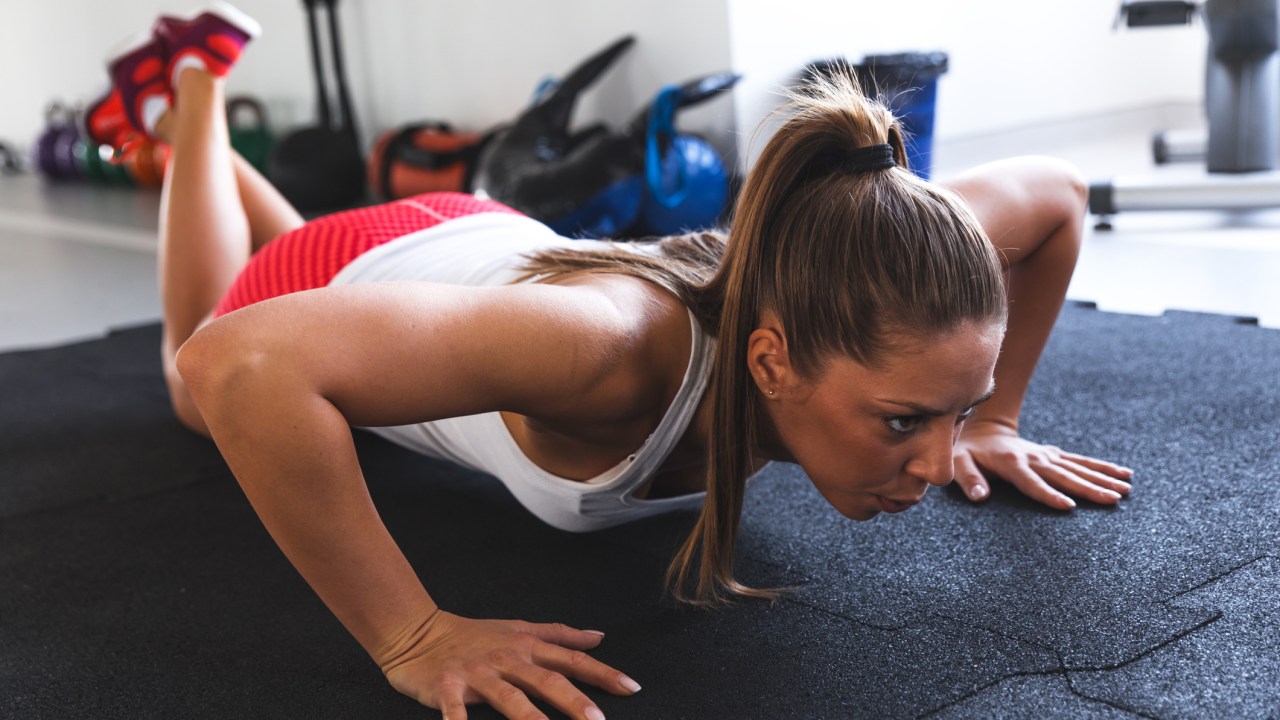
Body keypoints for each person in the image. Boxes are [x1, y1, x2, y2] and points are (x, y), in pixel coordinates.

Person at [90, 4, 1134, 719]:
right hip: (373, 263)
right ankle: (192, 89)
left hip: (477, 246)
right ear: (767, 361)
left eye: (948, 415)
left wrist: (990, 421)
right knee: (191, 382)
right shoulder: (606, 354)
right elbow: (246, 363)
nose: (929, 461)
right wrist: (412, 636)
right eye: (904, 421)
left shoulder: (863, 259)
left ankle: (214, 149)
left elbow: (1051, 194)